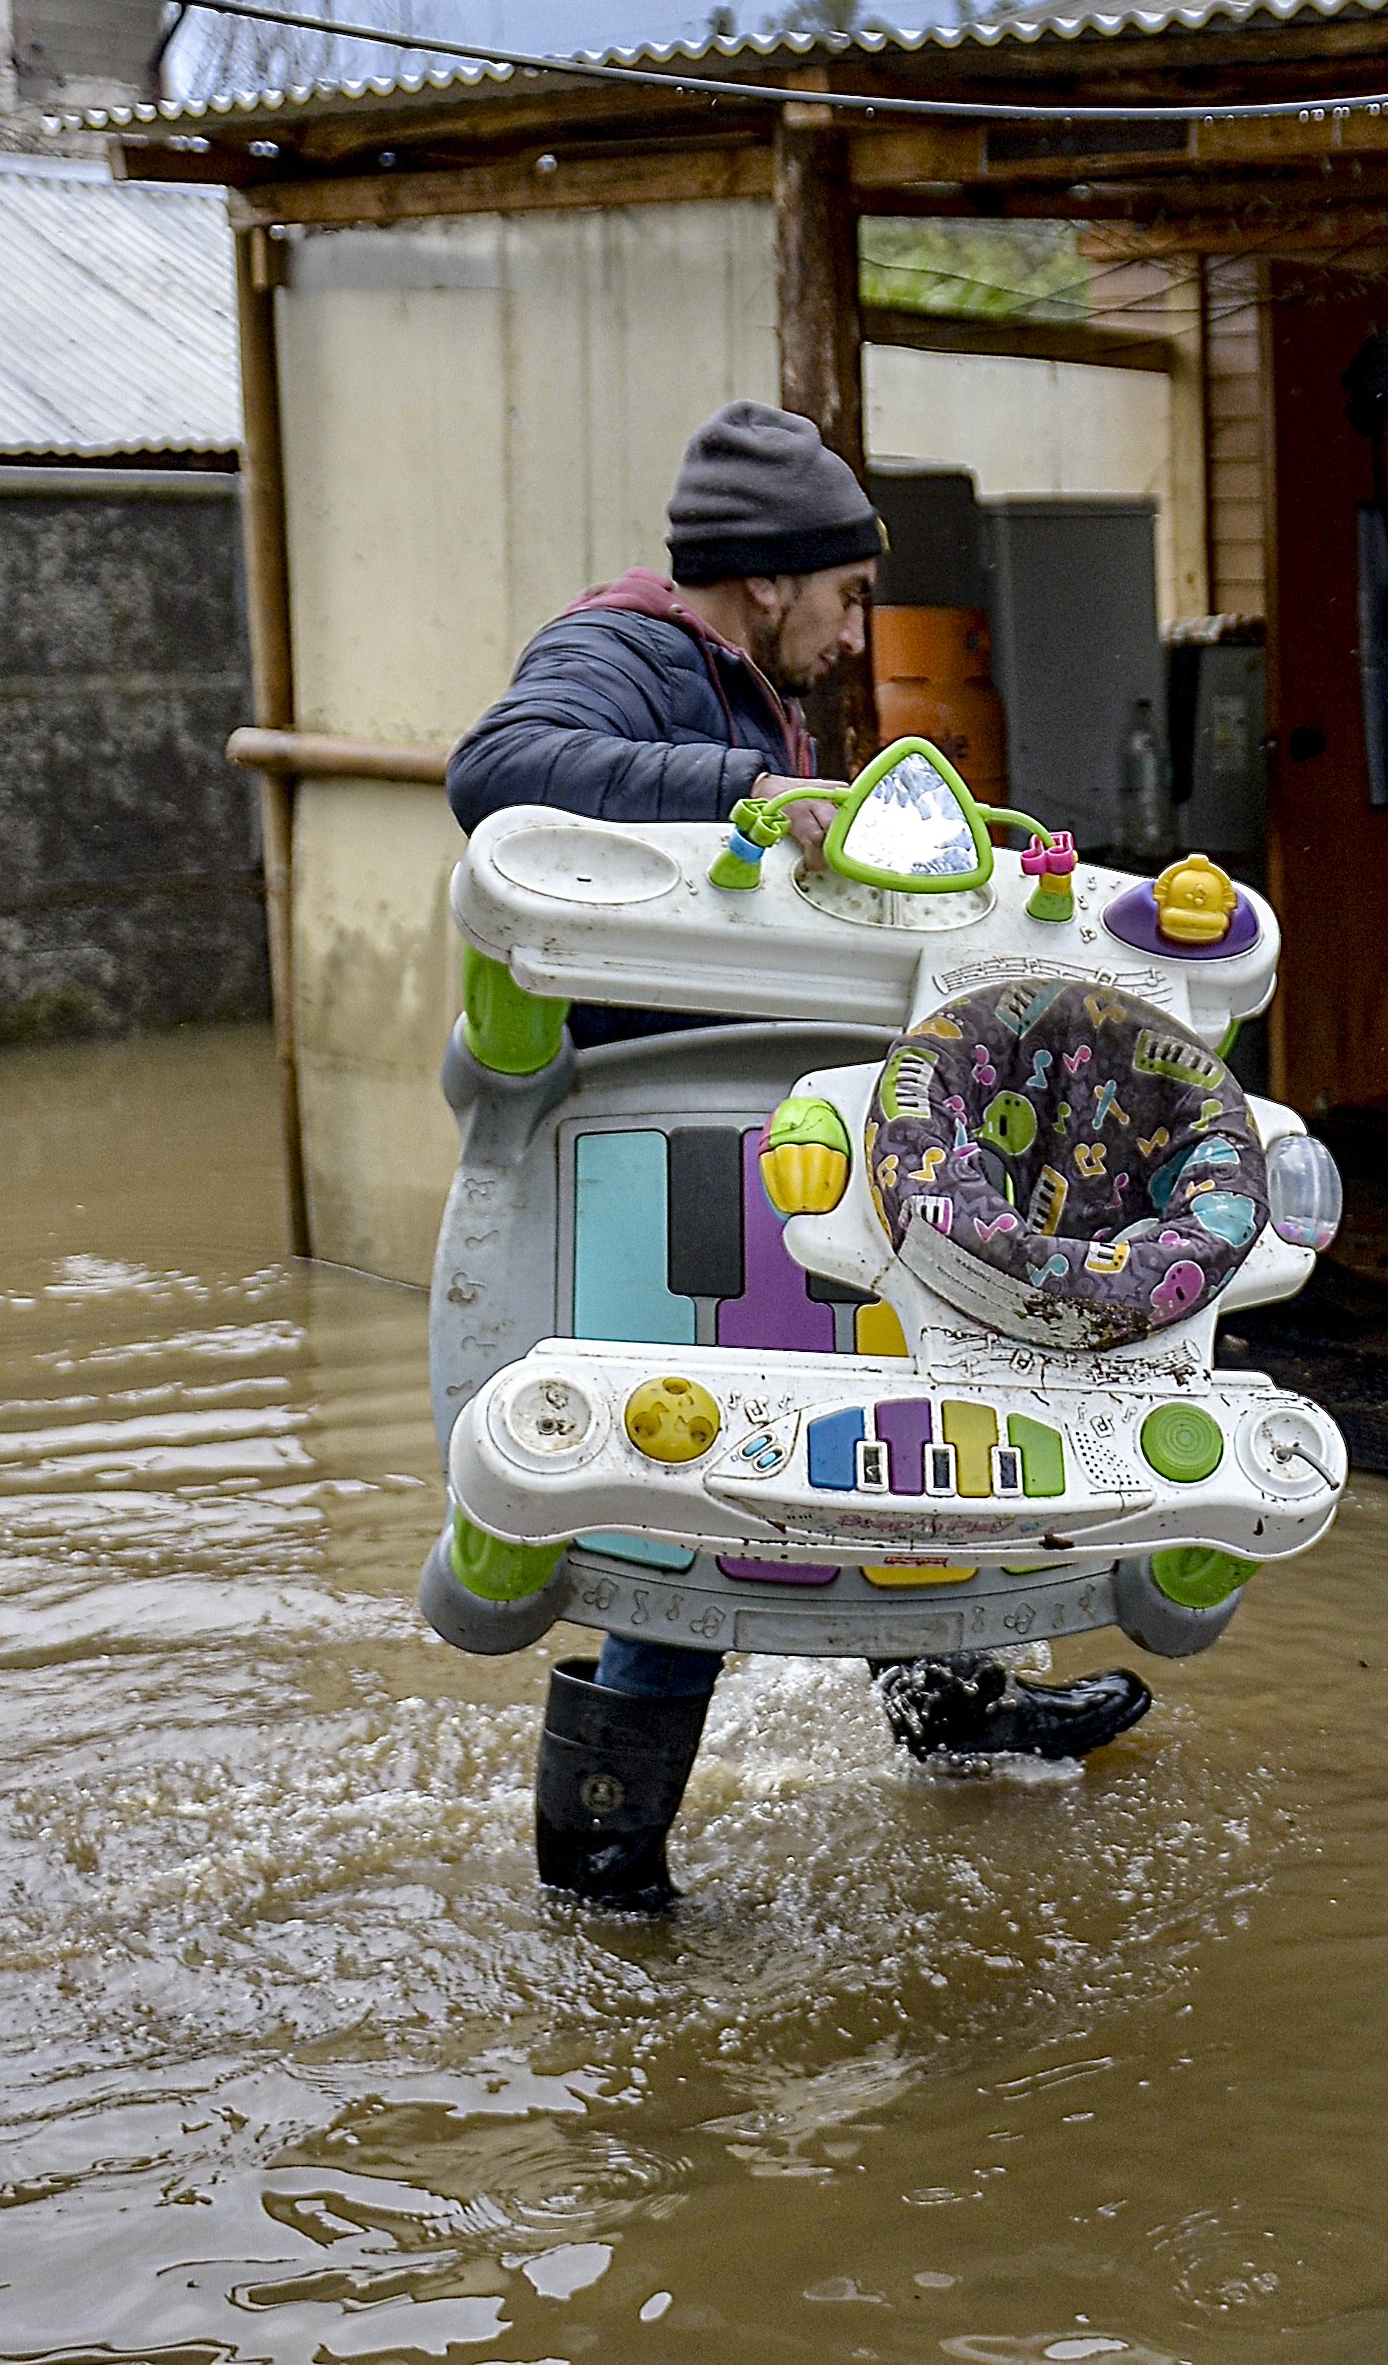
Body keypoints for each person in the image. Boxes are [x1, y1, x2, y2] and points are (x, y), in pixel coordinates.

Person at [448, 402, 1152, 1910]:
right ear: (766, 580)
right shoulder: (623, 655)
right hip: (663, 1154)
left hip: (785, 1139)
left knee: (891, 1414)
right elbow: (496, 770)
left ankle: (953, 1720)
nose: (853, 631)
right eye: (843, 595)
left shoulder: (740, 684)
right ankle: (601, 1860)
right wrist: (752, 797)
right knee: (695, 1480)